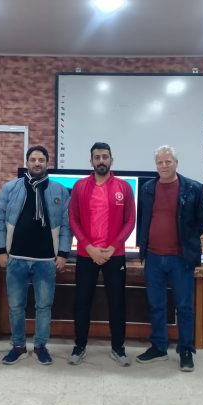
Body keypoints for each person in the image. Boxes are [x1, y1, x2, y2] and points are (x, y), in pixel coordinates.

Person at [0, 145, 71, 365]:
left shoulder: (60, 190)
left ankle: (40, 346)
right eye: (33, 159)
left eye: (41, 160)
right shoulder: (11, 188)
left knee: (44, 307)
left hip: (46, 261)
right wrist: (0, 251)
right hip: (16, 258)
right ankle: (18, 346)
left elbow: (66, 225)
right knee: (15, 306)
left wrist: (63, 253)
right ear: (27, 162)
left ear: (47, 163)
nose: (37, 163)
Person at [135, 145, 203, 372]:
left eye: (168, 161)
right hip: (153, 257)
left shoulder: (192, 188)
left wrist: (188, 238)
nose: (164, 165)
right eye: (160, 162)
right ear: (156, 165)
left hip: (181, 258)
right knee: (156, 305)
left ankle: (186, 350)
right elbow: (143, 218)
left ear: (176, 163)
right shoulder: (147, 188)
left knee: (184, 306)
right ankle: (159, 347)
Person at [67, 142, 136, 367]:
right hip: (86, 254)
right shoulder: (80, 186)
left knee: (117, 303)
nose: (101, 161)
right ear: (91, 161)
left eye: (105, 156)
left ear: (111, 160)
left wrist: (114, 247)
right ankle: (79, 347)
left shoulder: (124, 187)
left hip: (114, 255)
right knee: (82, 302)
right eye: (97, 157)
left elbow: (130, 221)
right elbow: (73, 218)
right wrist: (88, 247)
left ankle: (118, 348)